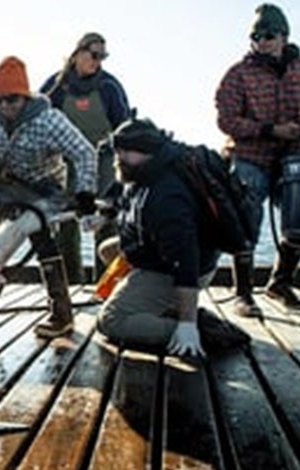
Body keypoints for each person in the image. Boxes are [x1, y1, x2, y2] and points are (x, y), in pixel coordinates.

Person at [0, 55, 98, 338]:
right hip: (7, 184)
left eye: (12, 100)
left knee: (42, 241)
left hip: (42, 186)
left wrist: (85, 192)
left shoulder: (49, 121)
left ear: (25, 97)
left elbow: (85, 153)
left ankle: (61, 314)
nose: (5, 106)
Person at [96, 118, 249, 360]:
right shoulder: (144, 170)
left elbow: (185, 261)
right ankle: (160, 307)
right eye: (117, 150)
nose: (119, 157)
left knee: (112, 320)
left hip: (179, 267)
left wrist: (186, 325)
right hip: (152, 250)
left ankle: (197, 328)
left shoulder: (167, 197)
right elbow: (126, 201)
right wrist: (103, 215)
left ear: (147, 152)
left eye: (125, 151)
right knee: (107, 250)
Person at [215, 3, 300, 316]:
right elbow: (227, 121)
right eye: (256, 36)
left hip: (292, 158)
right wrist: (270, 129)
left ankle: (280, 283)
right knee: (247, 221)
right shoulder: (237, 74)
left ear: (284, 36)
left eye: (268, 35)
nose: (261, 41)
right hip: (249, 157)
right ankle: (243, 293)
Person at [40, 32, 131, 284]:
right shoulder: (56, 86)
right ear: (78, 53)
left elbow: (123, 127)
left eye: (103, 56)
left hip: (104, 157)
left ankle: (107, 284)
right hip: (67, 158)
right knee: (67, 219)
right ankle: (72, 282)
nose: (98, 61)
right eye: (94, 55)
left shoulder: (110, 86)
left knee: (104, 218)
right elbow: (37, 118)